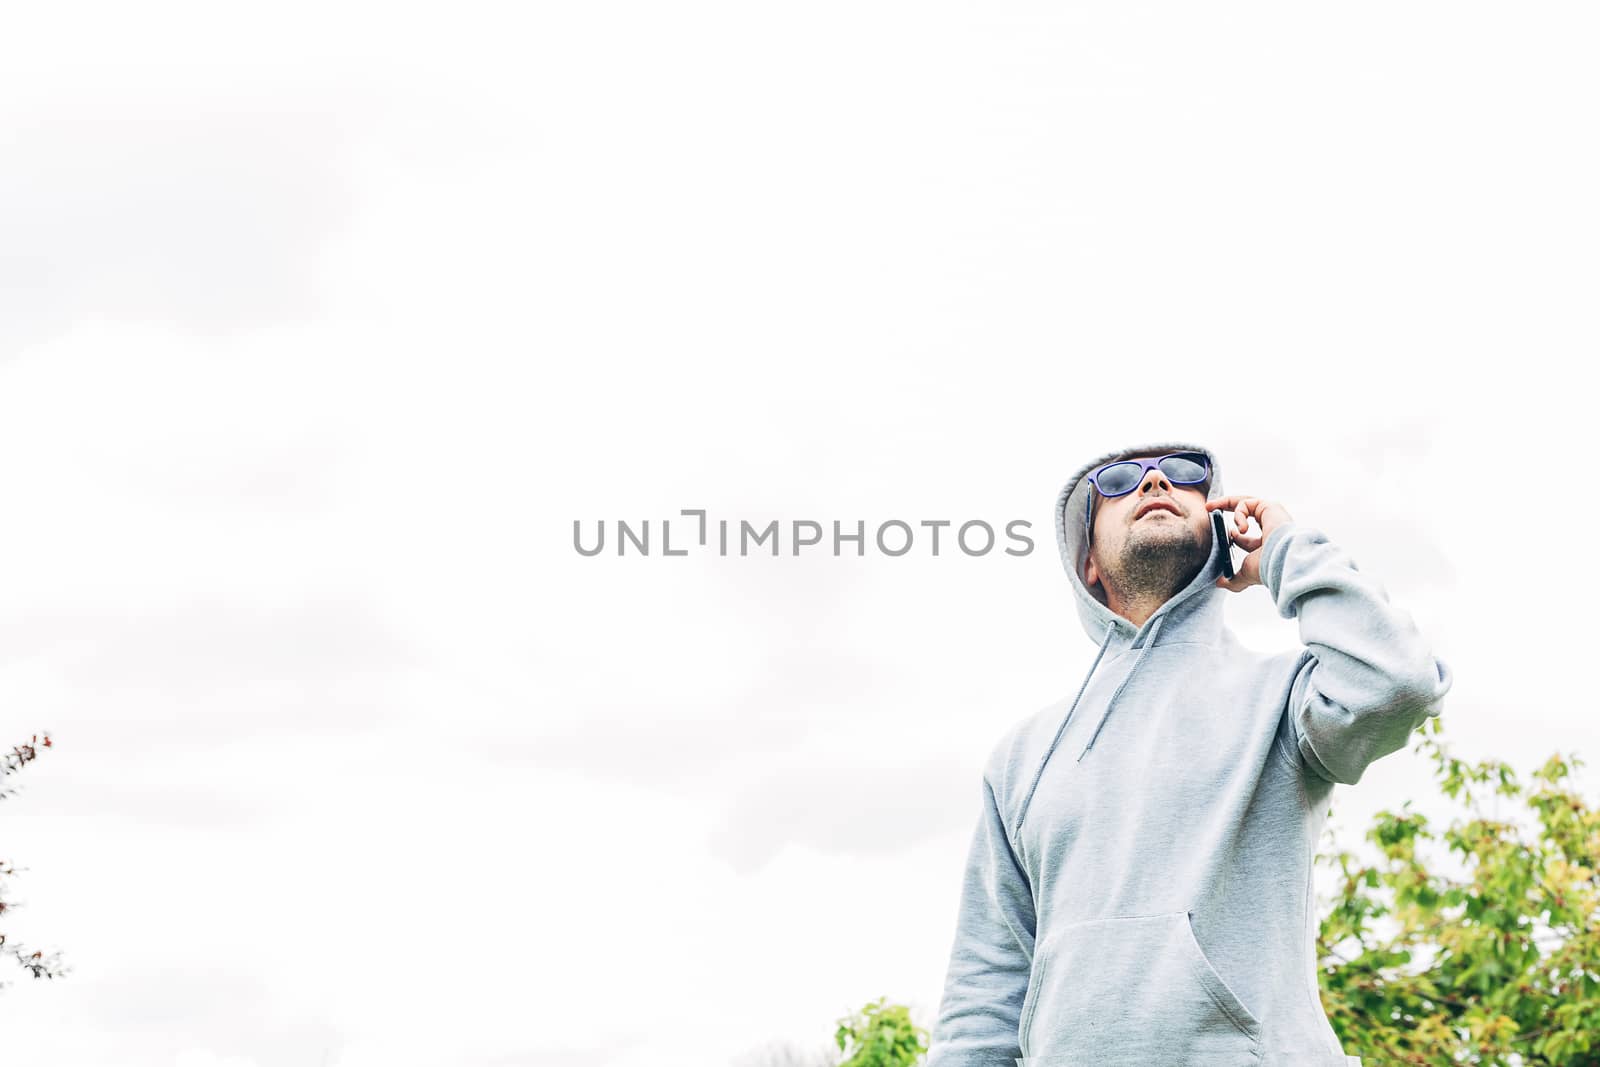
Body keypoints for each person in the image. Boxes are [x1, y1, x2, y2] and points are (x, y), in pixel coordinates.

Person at [924, 441, 1452, 1067]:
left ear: (1219, 532)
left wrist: (1285, 551)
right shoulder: (1022, 758)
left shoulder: (1283, 697)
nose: (1154, 482)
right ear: (1087, 561)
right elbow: (982, 997)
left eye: (1183, 475)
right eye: (1119, 481)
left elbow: (1400, 682)